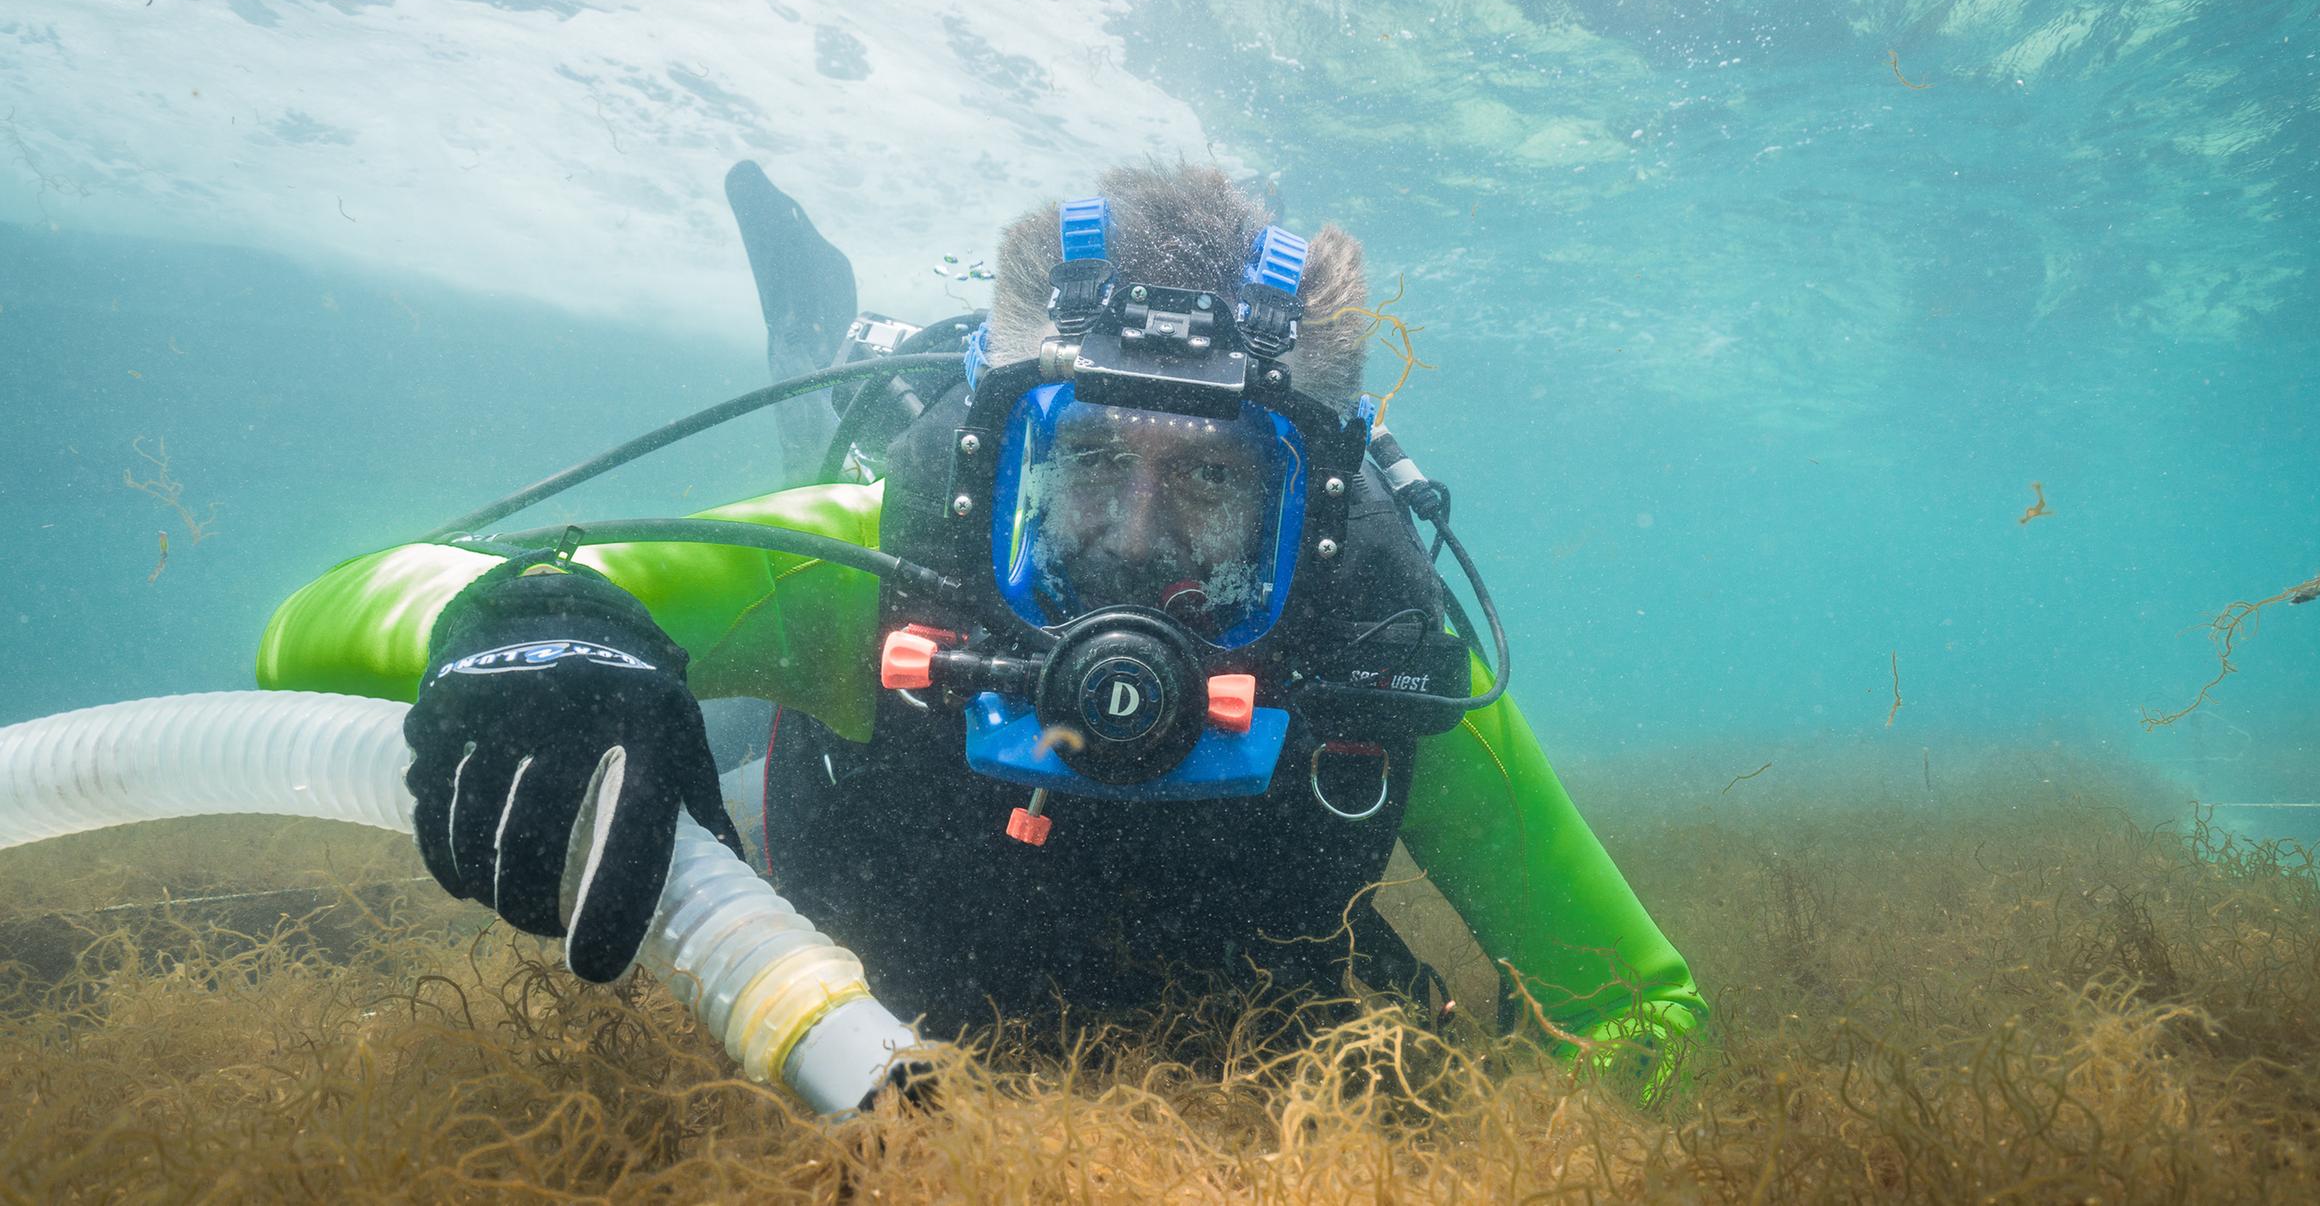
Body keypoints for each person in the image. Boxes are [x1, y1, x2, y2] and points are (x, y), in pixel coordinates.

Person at [255, 161, 1708, 1103]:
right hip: (854, 747)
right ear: (997, 459)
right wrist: (536, 637)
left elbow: (1646, 1011)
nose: (1134, 543)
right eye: (1088, 464)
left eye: (1212, 483)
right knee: (698, 704)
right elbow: (315, 622)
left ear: (1310, 505)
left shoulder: (1379, 663)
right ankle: (827, 347)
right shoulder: (874, 569)